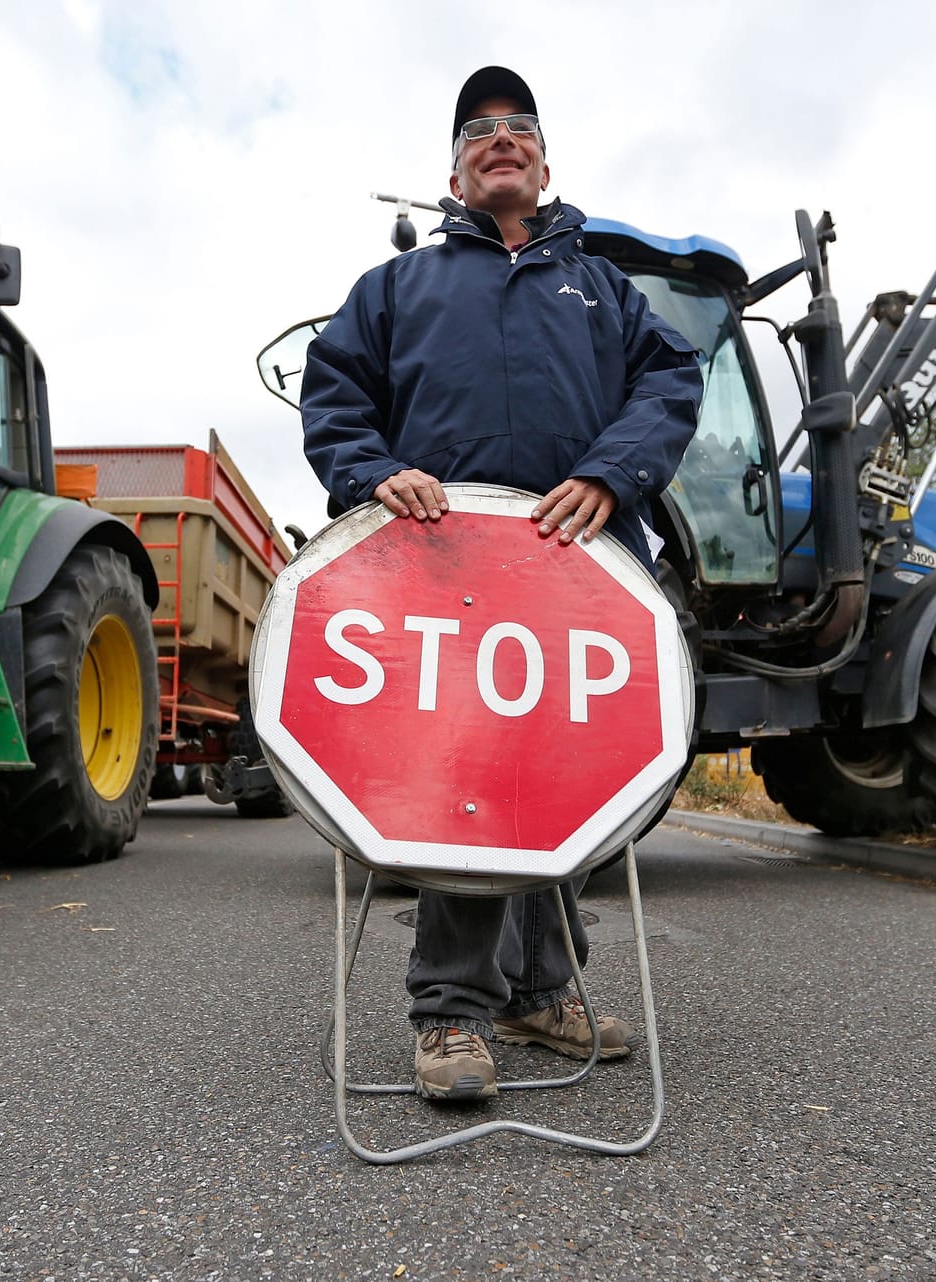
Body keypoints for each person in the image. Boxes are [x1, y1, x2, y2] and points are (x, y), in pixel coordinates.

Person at [298, 66, 704, 1102]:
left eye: (516, 125)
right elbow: (335, 396)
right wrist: (372, 473)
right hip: (446, 580)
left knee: (563, 780)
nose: (498, 137)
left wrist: (610, 475)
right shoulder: (397, 289)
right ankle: (447, 1012)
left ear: (543, 161)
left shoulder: (603, 289)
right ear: (453, 170)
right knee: (461, 785)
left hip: (578, 574)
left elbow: (668, 380)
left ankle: (536, 990)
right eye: (477, 129)